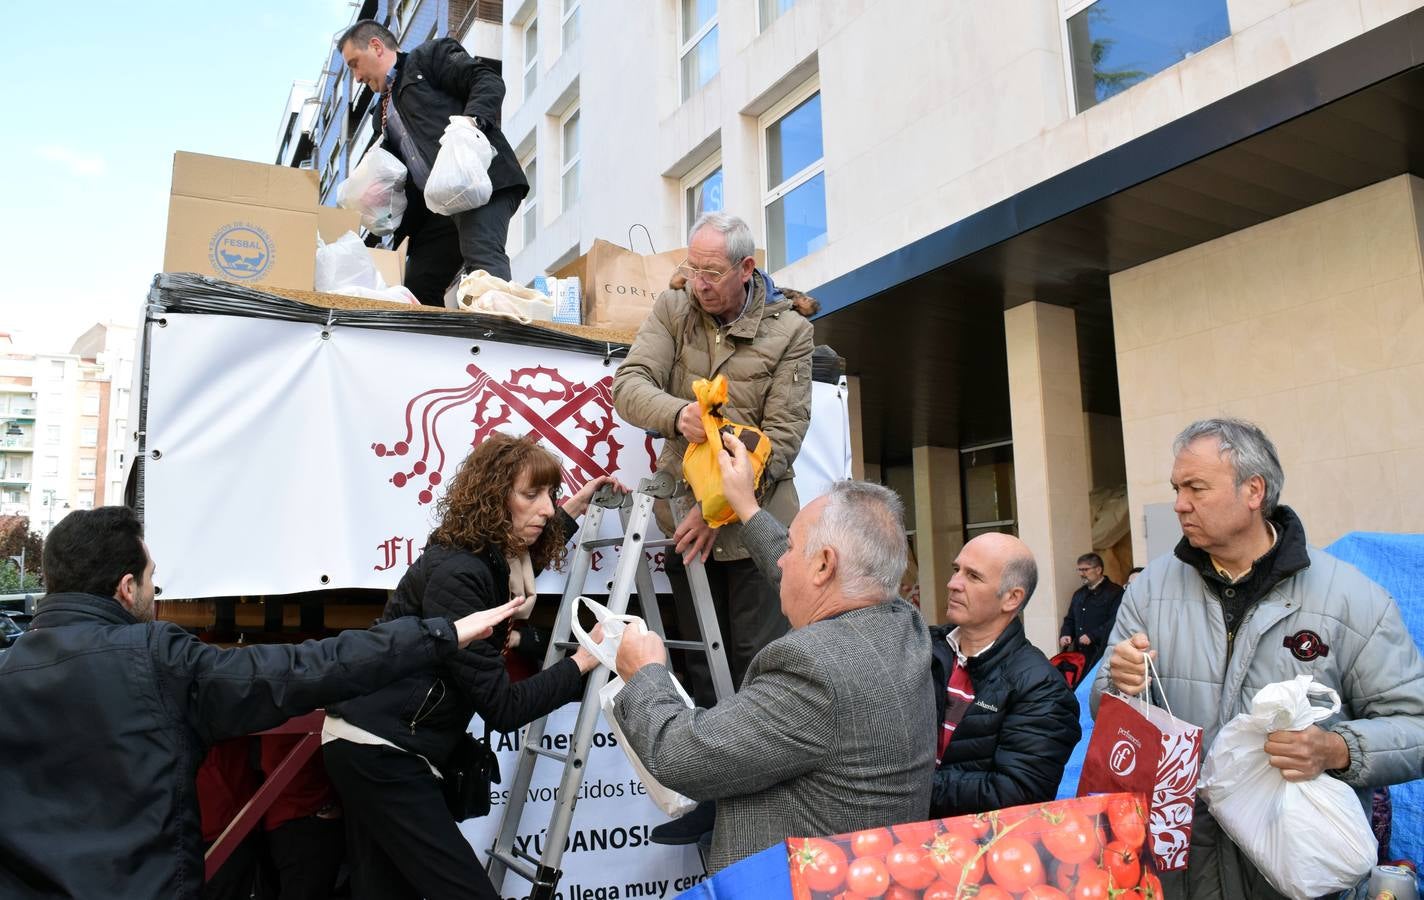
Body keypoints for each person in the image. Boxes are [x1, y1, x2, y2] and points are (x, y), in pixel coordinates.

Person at [0, 506, 520, 899]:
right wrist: (438, 636)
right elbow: (302, 670)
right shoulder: (155, 657)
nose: (157, 592)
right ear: (126, 587)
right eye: (153, 578)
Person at [1096, 418, 1424, 900]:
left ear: (1254, 491)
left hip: (1295, 873)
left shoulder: (1350, 598)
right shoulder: (1150, 588)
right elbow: (1106, 711)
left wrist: (1336, 750)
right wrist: (1118, 681)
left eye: (1196, 487)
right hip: (1181, 869)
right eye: (1176, 488)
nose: (1179, 504)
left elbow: (1416, 725)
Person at [322, 433, 616, 900]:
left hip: (377, 743)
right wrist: (583, 661)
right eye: (531, 495)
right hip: (383, 751)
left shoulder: (482, 559)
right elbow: (502, 707)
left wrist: (572, 510)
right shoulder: (463, 573)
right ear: (494, 499)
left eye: (551, 495)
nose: (545, 509)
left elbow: (517, 566)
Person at [612, 463, 936, 872]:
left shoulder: (816, 670)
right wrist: (746, 508)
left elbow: (679, 756)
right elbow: (803, 573)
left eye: (791, 548)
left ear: (823, 565)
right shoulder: (903, 624)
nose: (781, 561)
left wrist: (644, 675)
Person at [611, 211, 814, 842]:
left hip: (755, 529)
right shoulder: (675, 309)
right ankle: (708, 802)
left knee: (759, 667)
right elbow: (628, 385)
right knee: (697, 666)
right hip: (686, 523)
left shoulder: (790, 333)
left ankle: (761, 811)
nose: (699, 283)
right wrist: (679, 417)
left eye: (713, 272)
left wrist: (714, 508)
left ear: (747, 269)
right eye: (693, 269)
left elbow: (781, 444)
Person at [339, 20, 528, 305]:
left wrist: (471, 122)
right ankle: (433, 348)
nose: (356, 77)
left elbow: (487, 81)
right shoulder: (383, 110)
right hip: (438, 207)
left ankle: (499, 341)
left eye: (355, 63)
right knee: (418, 285)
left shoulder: (426, 59)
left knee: (483, 259)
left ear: (376, 47)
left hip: (480, 183)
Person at [929, 534, 1081, 816]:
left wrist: (908, 788)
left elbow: (1017, 793)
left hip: (968, 851)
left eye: (973, 576)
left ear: (1012, 598)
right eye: (956, 570)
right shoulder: (920, 649)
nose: (953, 584)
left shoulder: (1041, 688)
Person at [1056, 551, 1124, 670]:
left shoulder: (1115, 592)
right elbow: (1070, 619)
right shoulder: (1079, 594)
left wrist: (1093, 636)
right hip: (1080, 657)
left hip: (1103, 654)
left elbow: (1116, 620)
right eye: (1079, 570)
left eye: (1085, 569)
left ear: (1098, 570)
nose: (1081, 574)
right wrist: (1065, 634)